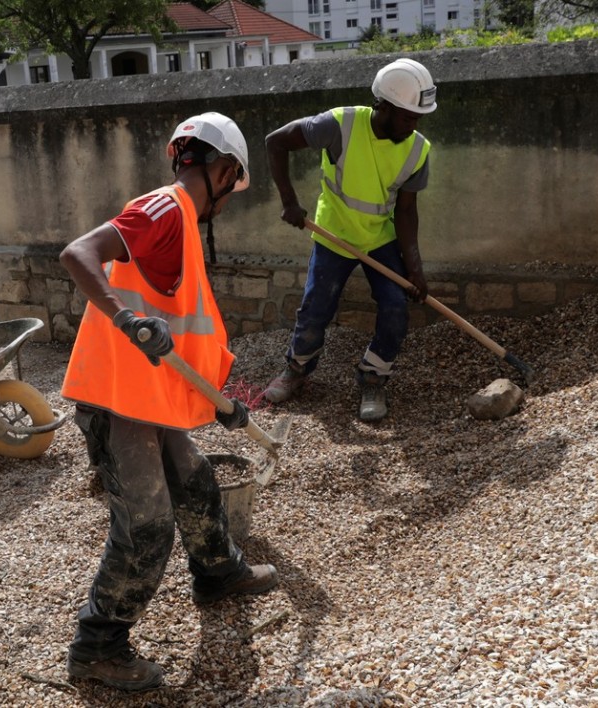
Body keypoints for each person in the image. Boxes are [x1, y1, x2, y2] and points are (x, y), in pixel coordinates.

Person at [58, 112, 279, 692]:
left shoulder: (178, 221)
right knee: (148, 528)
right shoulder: (163, 209)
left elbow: (182, 334)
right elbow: (77, 252)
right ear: (225, 169)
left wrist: (222, 405)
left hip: (149, 397)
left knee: (195, 478)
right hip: (116, 401)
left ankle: (216, 572)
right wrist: (126, 318)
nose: (228, 201)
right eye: (234, 185)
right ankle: (97, 648)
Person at [262, 58, 436, 421]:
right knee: (316, 308)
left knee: (395, 307)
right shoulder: (340, 124)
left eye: (418, 118)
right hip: (334, 234)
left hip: (379, 238)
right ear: (384, 106)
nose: (413, 125)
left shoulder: (417, 149)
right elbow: (275, 142)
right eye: (407, 116)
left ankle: (373, 377)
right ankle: (297, 370)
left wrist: (415, 269)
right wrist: (290, 202)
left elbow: (406, 211)